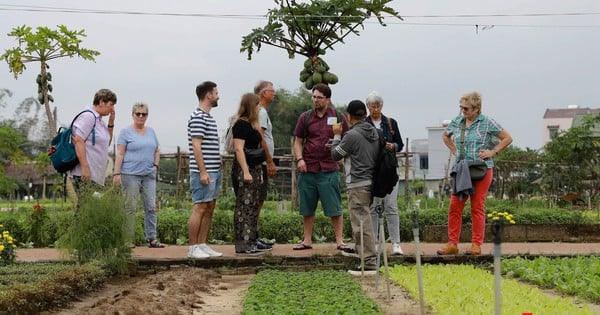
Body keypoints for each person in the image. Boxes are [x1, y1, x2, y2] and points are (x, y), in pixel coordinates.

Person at [437, 91, 513, 255]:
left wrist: (493, 152)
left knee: (477, 207)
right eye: (461, 108)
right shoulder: (457, 121)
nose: (463, 111)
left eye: (466, 108)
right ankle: (452, 244)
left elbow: (507, 138)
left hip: (481, 169)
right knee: (454, 206)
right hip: (462, 169)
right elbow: (445, 136)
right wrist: (455, 151)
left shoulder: (486, 122)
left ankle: (476, 244)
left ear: (476, 108)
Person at [292, 83, 350, 251]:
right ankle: (307, 240)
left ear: (328, 99)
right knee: (307, 207)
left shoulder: (338, 116)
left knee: (334, 207)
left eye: (319, 97)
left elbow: (348, 139)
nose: (315, 100)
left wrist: (336, 144)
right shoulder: (306, 117)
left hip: (329, 168)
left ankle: (340, 241)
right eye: (314, 96)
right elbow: (298, 141)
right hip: (308, 167)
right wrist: (300, 159)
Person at [331, 100, 380, 275]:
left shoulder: (351, 135)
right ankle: (363, 254)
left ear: (348, 117)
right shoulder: (374, 132)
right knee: (364, 222)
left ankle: (369, 263)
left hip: (357, 184)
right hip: (371, 182)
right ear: (365, 114)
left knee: (361, 224)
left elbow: (336, 155)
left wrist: (337, 136)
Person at [113, 102, 163, 248]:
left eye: (144, 114)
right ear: (133, 114)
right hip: (130, 175)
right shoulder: (125, 132)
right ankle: (128, 239)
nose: (141, 116)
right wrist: (116, 173)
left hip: (148, 175)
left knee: (151, 207)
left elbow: (157, 150)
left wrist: (155, 166)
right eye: (138, 114)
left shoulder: (151, 131)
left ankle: (152, 238)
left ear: (147, 115)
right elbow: (120, 153)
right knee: (130, 207)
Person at [364, 91, 405, 256]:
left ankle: (396, 242)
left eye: (378, 105)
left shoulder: (390, 123)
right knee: (372, 206)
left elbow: (400, 144)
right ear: (368, 107)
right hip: (371, 170)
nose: (376, 109)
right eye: (373, 106)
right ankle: (374, 243)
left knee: (391, 206)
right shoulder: (364, 124)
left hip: (388, 169)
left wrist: (392, 146)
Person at [187, 81, 223, 259]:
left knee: (210, 207)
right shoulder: (198, 117)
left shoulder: (208, 117)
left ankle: (202, 244)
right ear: (208, 95)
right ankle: (192, 247)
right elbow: (196, 145)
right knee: (200, 207)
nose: (218, 95)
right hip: (204, 170)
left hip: (214, 170)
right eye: (216, 92)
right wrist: (203, 171)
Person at [231, 93, 268, 255]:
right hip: (243, 169)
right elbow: (239, 148)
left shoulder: (252, 124)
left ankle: (252, 239)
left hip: (254, 168)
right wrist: (245, 170)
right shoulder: (240, 124)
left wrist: (258, 172)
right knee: (244, 206)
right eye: (257, 105)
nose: (259, 108)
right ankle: (243, 244)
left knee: (253, 205)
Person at [71, 88, 116, 188]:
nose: (112, 109)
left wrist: (111, 123)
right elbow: (78, 140)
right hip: (86, 174)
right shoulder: (88, 116)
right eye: (111, 105)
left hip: (96, 175)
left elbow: (106, 143)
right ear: (101, 102)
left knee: (91, 203)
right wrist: (84, 167)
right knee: (86, 203)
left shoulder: (99, 120)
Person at [254, 80, 277, 249]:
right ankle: (252, 236)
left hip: (261, 161)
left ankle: (254, 235)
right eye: (271, 90)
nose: (274, 93)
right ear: (263, 93)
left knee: (258, 200)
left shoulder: (260, 111)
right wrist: (269, 161)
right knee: (257, 200)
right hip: (260, 162)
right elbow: (260, 138)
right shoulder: (260, 112)